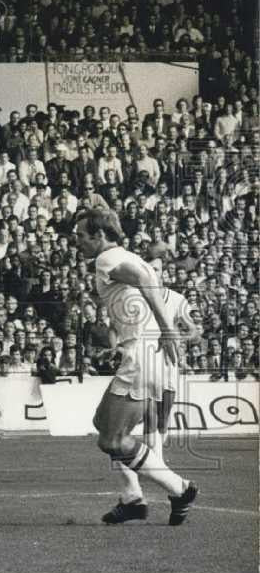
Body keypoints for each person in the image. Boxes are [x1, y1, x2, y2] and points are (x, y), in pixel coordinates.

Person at [72, 209, 198, 526]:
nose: (77, 242)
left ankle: (178, 488)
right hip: (151, 353)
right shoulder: (126, 255)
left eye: (81, 236)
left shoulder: (107, 259)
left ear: (100, 236)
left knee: (111, 440)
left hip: (143, 353)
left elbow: (143, 281)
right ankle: (132, 498)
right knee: (104, 422)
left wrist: (167, 328)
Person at [114, 257, 202, 503]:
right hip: (141, 367)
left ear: (164, 273)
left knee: (160, 423)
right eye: (148, 269)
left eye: (157, 269)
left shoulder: (176, 299)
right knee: (135, 422)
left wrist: (175, 337)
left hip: (167, 366)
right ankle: (151, 475)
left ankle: (155, 473)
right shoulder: (134, 298)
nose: (152, 273)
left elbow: (194, 331)